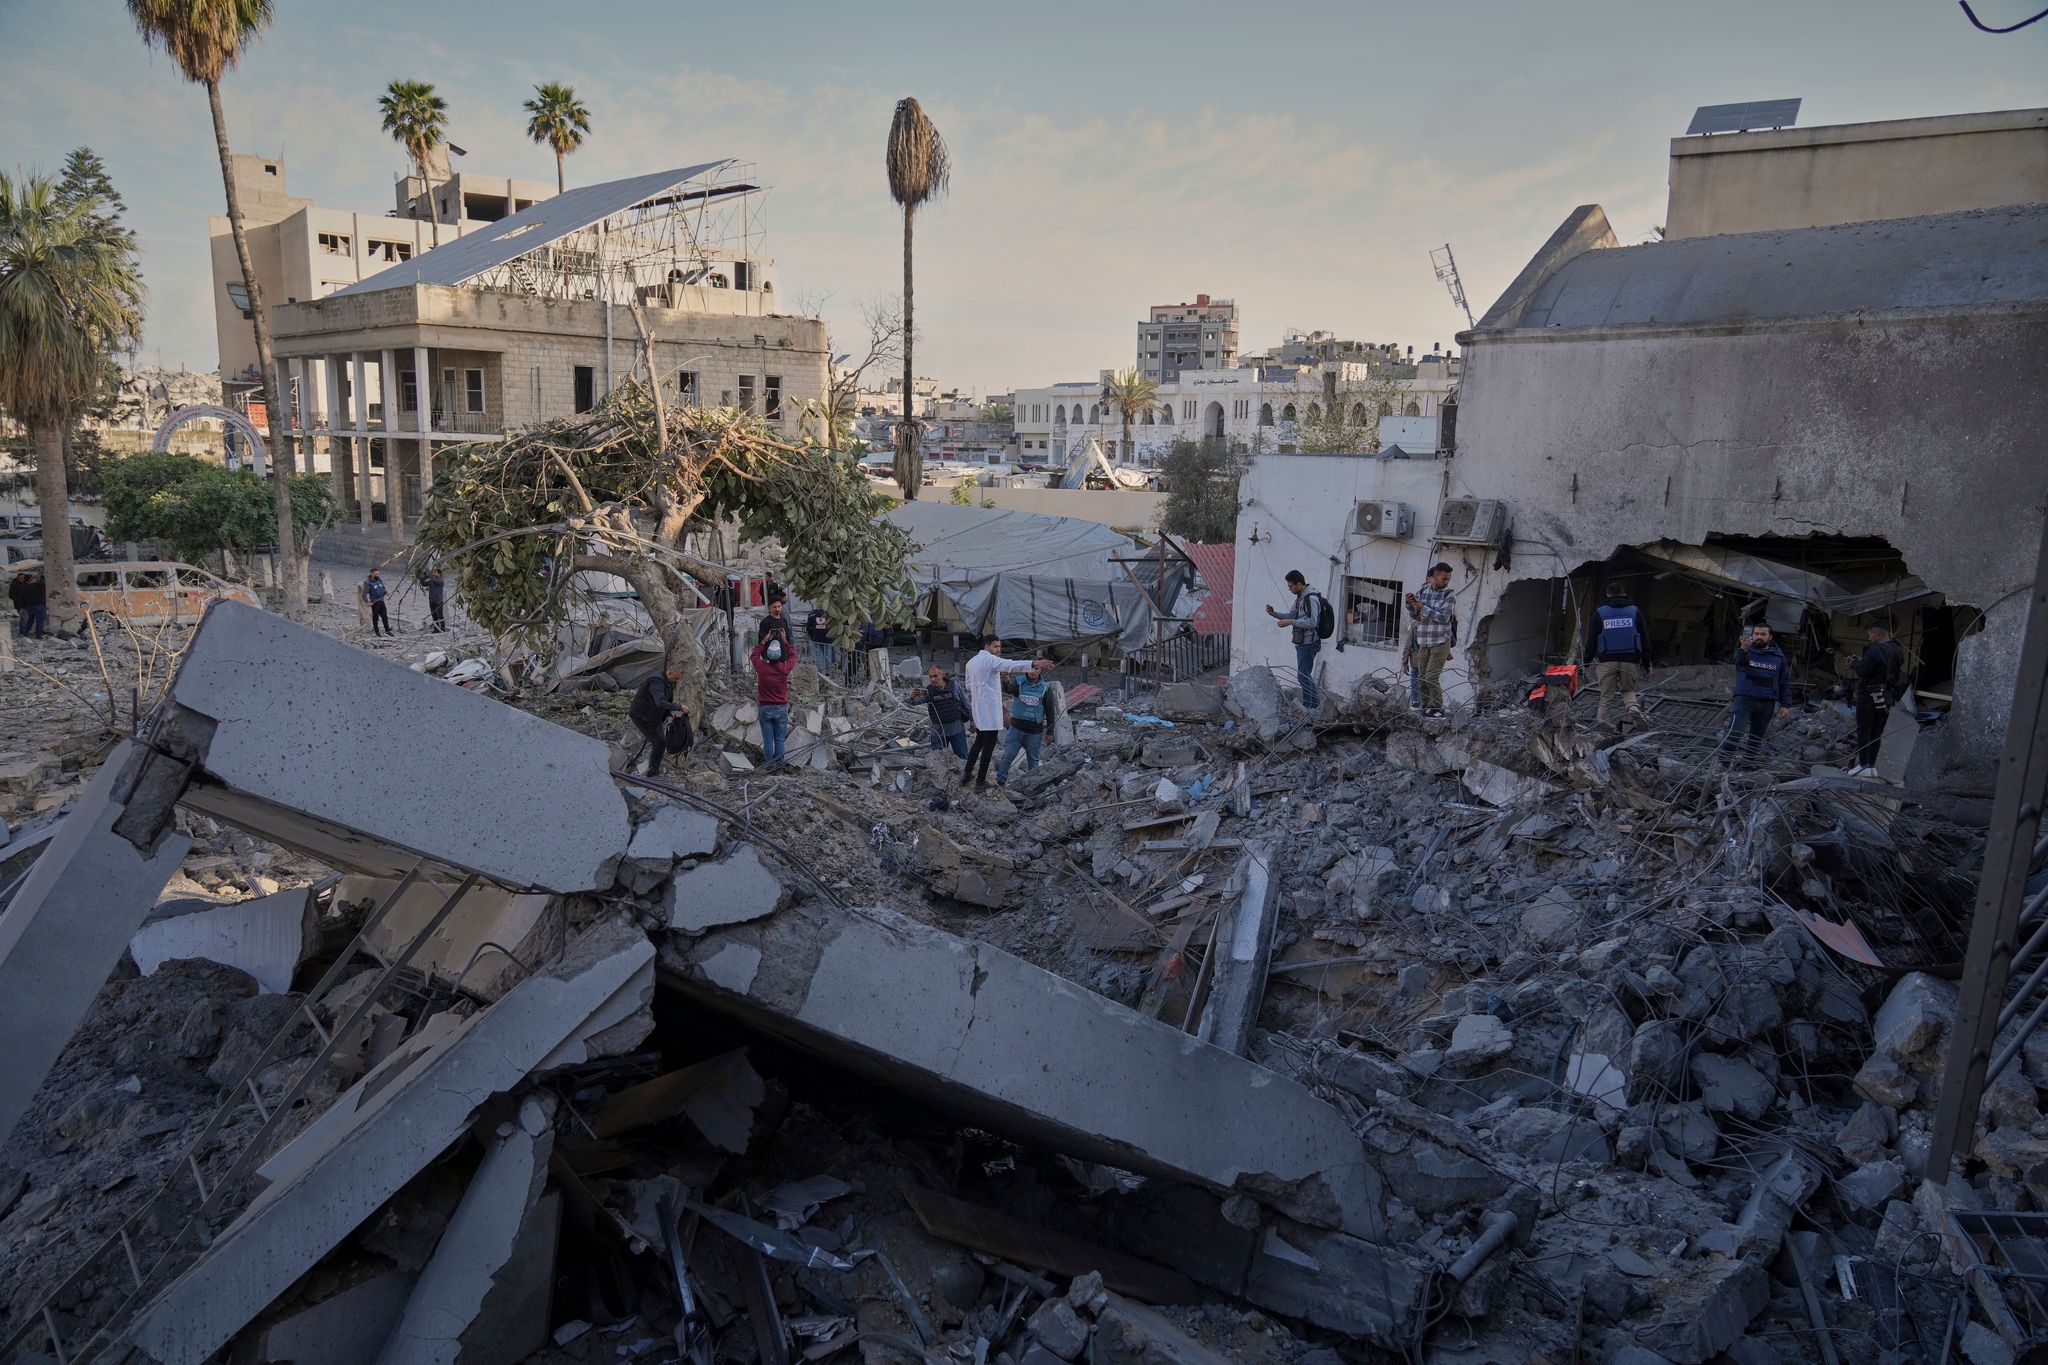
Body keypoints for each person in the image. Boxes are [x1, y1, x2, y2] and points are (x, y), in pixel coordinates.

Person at [963, 635, 1052, 790]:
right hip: (989, 711)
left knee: (979, 742)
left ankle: (967, 773)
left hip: (979, 709)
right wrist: (1033, 663)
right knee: (988, 746)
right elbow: (1010, 665)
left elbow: (969, 686)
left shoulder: (971, 662)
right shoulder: (990, 660)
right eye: (995, 646)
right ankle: (980, 782)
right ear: (987, 646)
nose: (998, 650)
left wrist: (986, 683)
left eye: (999, 647)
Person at [1718, 621, 1794, 762]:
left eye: (1763, 634)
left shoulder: (1778, 656)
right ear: (1752, 635)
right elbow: (1738, 662)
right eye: (1756, 634)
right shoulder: (1746, 650)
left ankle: (1747, 766)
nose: (1759, 636)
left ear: (1769, 637)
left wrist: (1785, 705)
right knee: (1735, 733)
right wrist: (1743, 649)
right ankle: (1723, 765)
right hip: (1745, 700)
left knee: (1756, 738)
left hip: (1767, 702)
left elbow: (1784, 680)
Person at [1586, 582, 1652, 728]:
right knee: (1627, 690)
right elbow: (1644, 639)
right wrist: (1647, 663)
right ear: (1623, 593)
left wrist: (1586, 663)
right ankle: (1634, 709)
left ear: (1607, 595)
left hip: (1607, 660)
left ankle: (1602, 725)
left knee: (1606, 696)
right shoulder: (1635, 611)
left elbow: (1591, 640)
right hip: (1630, 660)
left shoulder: (1600, 613)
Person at [1849, 620, 1906, 777]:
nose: (1869, 638)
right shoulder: (1897, 650)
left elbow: (1863, 670)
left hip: (1868, 695)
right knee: (1876, 730)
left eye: (1870, 634)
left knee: (1864, 729)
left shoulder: (1874, 650)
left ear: (1877, 633)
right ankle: (1871, 767)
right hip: (1886, 694)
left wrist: (1855, 663)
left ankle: (1862, 765)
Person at [1264, 569, 1325, 709]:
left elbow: (1312, 622)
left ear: (1299, 584)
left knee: (1303, 676)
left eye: (1291, 586)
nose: (1289, 589)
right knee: (1304, 675)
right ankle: (1311, 706)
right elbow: (1292, 614)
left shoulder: (1311, 599)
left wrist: (1291, 622)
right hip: (1302, 642)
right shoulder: (1300, 598)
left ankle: (1312, 707)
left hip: (1309, 642)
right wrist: (1274, 614)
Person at [1405, 563, 1457, 718]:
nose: (1446, 582)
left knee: (1431, 677)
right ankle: (1426, 706)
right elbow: (1415, 616)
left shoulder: (1449, 595)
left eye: (1448, 579)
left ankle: (1437, 708)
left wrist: (1423, 608)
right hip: (1424, 640)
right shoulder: (1423, 592)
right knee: (1421, 677)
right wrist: (1410, 604)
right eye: (1443, 578)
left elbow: (1444, 617)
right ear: (1434, 577)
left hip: (1441, 641)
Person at [995, 660, 1057, 786]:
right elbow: (1008, 689)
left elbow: (1050, 711)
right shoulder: (1019, 682)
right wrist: (1005, 679)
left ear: (1041, 671)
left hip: (1034, 733)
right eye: (1031, 668)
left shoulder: (1046, 688)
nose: (1033, 672)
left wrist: (1050, 732)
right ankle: (999, 783)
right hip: (1016, 730)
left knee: (1033, 763)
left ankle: (1032, 788)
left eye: (1037, 669)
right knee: (1007, 758)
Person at [629, 664, 690, 777]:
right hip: (642, 716)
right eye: (676, 678)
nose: (677, 682)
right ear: (669, 673)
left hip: (654, 716)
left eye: (679, 679)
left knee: (660, 741)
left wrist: (669, 712)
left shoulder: (668, 682)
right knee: (659, 742)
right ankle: (653, 772)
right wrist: (679, 707)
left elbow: (665, 701)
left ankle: (652, 768)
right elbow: (660, 702)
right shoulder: (656, 681)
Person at [751, 629, 797, 770]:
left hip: (765, 708)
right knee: (779, 740)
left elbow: (754, 655)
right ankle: (780, 767)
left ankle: (769, 767)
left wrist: (764, 641)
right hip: (781, 708)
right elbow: (794, 655)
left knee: (768, 741)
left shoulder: (762, 668)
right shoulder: (784, 668)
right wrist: (785, 641)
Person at [910, 666, 971, 759]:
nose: (933, 679)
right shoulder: (929, 690)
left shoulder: (954, 686)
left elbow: (966, 704)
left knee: (962, 757)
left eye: (935, 676)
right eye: (930, 676)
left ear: (942, 675)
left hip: (957, 729)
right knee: (938, 760)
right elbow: (914, 702)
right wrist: (912, 696)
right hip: (938, 732)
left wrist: (974, 722)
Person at [14, 569, 47, 639]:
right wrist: (43, 574)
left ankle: (25, 633)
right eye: (33, 578)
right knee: (39, 621)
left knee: (30, 621)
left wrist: (23, 607)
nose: (34, 579)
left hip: (30, 607)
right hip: (39, 606)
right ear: (30, 580)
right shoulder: (38, 585)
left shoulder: (24, 588)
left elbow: (23, 598)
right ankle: (38, 636)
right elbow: (45, 582)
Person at [805, 605, 836, 673]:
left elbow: (808, 627)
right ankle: (828, 672)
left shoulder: (812, 615)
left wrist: (811, 636)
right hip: (827, 639)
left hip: (816, 639)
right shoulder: (830, 615)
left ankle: (820, 672)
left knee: (818, 656)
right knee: (827, 656)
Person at [361, 570, 391, 637]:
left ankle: (387, 630)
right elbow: (364, 594)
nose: (378, 575)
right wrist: (368, 602)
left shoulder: (379, 580)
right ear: (372, 574)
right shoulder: (368, 583)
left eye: (378, 573)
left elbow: (382, 588)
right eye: (376, 574)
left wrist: (386, 592)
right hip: (374, 602)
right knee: (375, 617)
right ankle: (377, 632)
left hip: (381, 601)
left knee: (384, 616)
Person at [423, 569, 447, 634]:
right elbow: (424, 583)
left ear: (439, 574)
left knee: (440, 615)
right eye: (433, 572)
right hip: (431, 600)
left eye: (435, 573)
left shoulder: (440, 580)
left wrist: (429, 575)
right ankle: (436, 629)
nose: (433, 574)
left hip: (438, 601)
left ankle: (443, 628)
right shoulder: (432, 579)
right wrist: (424, 576)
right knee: (434, 616)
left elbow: (435, 580)